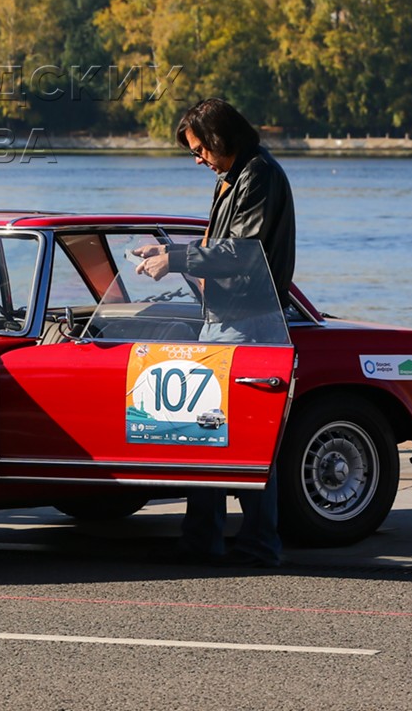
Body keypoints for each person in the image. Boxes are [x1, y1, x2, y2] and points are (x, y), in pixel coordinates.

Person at [133, 97, 295, 568]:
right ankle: (203, 540)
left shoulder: (258, 175)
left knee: (241, 437)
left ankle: (255, 545)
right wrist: (169, 252)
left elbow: (243, 252)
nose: (199, 159)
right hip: (228, 321)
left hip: (248, 324)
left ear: (221, 138)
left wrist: (175, 259)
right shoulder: (236, 175)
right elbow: (224, 248)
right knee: (206, 432)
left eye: (200, 149)